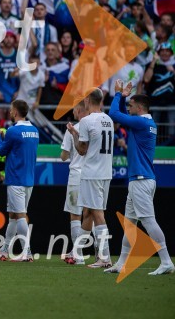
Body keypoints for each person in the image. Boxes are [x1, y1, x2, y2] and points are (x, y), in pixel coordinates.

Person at [105, 81, 174, 276]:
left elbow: (114, 115)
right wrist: (125, 96)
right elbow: (121, 115)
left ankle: (166, 261)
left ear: (140, 107)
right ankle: (121, 264)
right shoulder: (146, 123)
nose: (129, 108)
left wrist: (118, 94)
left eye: (131, 105)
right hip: (141, 179)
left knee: (149, 222)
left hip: (141, 180)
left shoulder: (142, 122)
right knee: (130, 223)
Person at [65, 89, 115, 269]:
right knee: (88, 213)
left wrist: (73, 134)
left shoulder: (86, 121)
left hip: (92, 173)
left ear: (87, 100)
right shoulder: (108, 119)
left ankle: (105, 257)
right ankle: (76, 251)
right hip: (106, 172)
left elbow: (81, 150)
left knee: (97, 214)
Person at [0, 100, 39, 262]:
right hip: (29, 178)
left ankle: (27, 252)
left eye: (11, 109)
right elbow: (18, 146)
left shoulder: (13, 131)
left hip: (15, 178)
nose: (9, 112)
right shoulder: (35, 130)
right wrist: (3, 135)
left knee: (21, 215)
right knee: (13, 215)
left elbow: (2, 151)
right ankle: (5, 250)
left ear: (16, 112)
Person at [61, 103, 87, 266]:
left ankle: (78, 254)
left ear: (79, 110)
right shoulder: (95, 127)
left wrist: (65, 152)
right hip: (92, 175)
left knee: (75, 214)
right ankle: (100, 255)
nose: (73, 112)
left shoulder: (73, 129)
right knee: (91, 214)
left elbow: (64, 156)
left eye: (74, 110)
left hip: (76, 175)